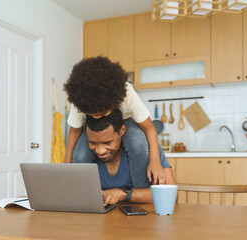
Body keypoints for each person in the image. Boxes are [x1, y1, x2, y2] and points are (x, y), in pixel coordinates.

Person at [64, 56, 166, 184]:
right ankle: (85, 196)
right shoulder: (81, 101)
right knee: (80, 155)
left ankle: (141, 189)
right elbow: (74, 131)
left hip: (126, 121)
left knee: (137, 143)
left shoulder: (127, 93)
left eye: (101, 113)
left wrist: (155, 160)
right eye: (91, 114)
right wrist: (66, 165)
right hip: (94, 129)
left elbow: (149, 127)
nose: (97, 117)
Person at [85, 109, 176, 205]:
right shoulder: (83, 155)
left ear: (122, 131)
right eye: (93, 142)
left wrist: (124, 194)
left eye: (107, 142)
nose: (100, 151)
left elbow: (172, 196)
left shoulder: (147, 148)